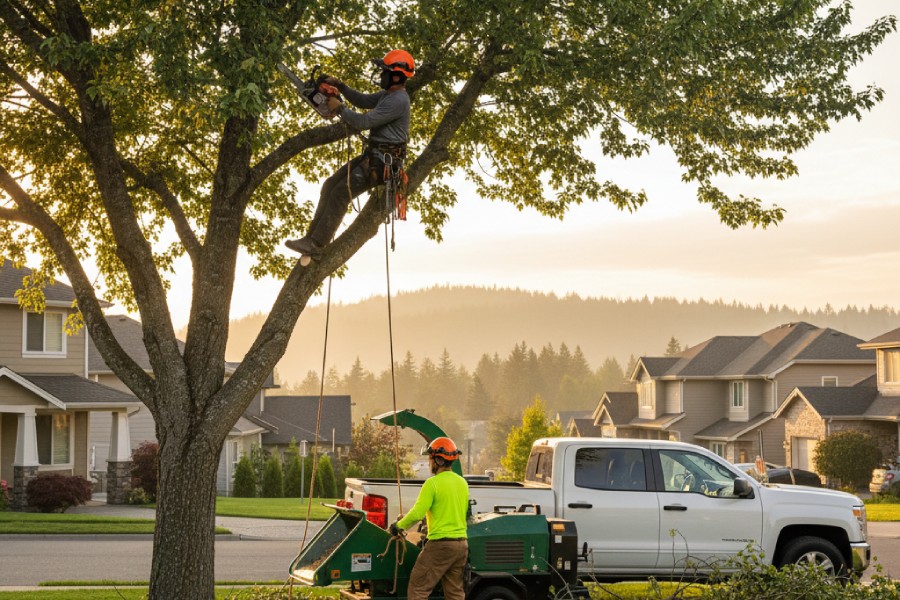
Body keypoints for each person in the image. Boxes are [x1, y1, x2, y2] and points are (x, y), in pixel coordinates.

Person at [285, 49, 414, 257]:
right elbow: (362, 101)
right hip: (373, 156)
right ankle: (310, 239)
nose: (380, 76)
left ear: (396, 75)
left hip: (384, 164)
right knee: (329, 185)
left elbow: (363, 122)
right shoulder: (386, 96)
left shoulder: (398, 100)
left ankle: (317, 245)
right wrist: (341, 87)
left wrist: (340, 108)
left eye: (384, 72)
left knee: (340, 193)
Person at [390, 437, 469, 600]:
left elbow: (418, 513)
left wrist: (399, 525)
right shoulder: (462, 483)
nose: (429, 462)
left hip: (441, 544)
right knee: (455, 594)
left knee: (418, 588)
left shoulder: (432, 484)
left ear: (438, 460)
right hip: (461, 546)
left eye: (430, 458)